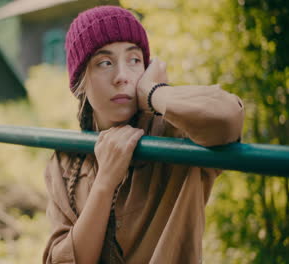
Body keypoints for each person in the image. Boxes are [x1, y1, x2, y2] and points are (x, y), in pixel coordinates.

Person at [42, 5, 245, 264]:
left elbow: (227, 119)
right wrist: (105, 182)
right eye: (104, 62)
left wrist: (153, 91)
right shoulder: (66, 161)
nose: (122, 76)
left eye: (134, 60)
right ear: (81, 80)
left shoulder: (177, 133)